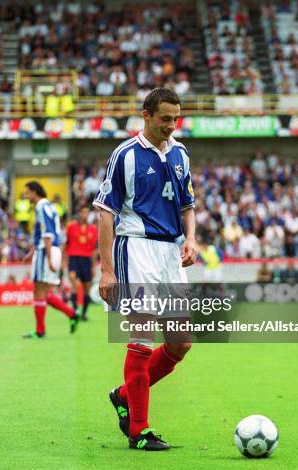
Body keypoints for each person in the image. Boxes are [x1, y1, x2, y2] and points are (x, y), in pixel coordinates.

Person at [94, 88, 197, 451]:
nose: (171, 125)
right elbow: (105, 213)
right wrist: (107, 271)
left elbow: (188, 204)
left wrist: (191, 239)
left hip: (171, 252)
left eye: (176, 118)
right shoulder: (125, 155)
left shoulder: (182, 153)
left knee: (180, 343)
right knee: (141, 339)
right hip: (136, 248)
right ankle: (139, 430)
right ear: (147, 115)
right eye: (165, 118)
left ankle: (124, 395)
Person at [22, 181, 79, 338]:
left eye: (27, 192)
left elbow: (47, 232)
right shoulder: (49, 206)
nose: (25, 196)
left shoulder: (41, 205)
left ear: (34, 192)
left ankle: (40, 331)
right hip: (47, 249)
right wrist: (33, 251)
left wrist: (47, 257)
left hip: (46, 250)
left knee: (39, 291)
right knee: (43, 292)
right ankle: (71, 313)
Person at [64, 205, 98, 321]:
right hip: (73, 258)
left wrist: (93, 266)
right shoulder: (71, 226)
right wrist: (64, 261)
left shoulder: (93, 229)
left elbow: (94, 249)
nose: (85, 214)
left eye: (87, 212)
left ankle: (83, 313)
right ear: (79, 213)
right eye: (83, 212)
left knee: (86, 287)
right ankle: (74, 311)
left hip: (86, 260)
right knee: (74, 282)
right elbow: (66, 244)